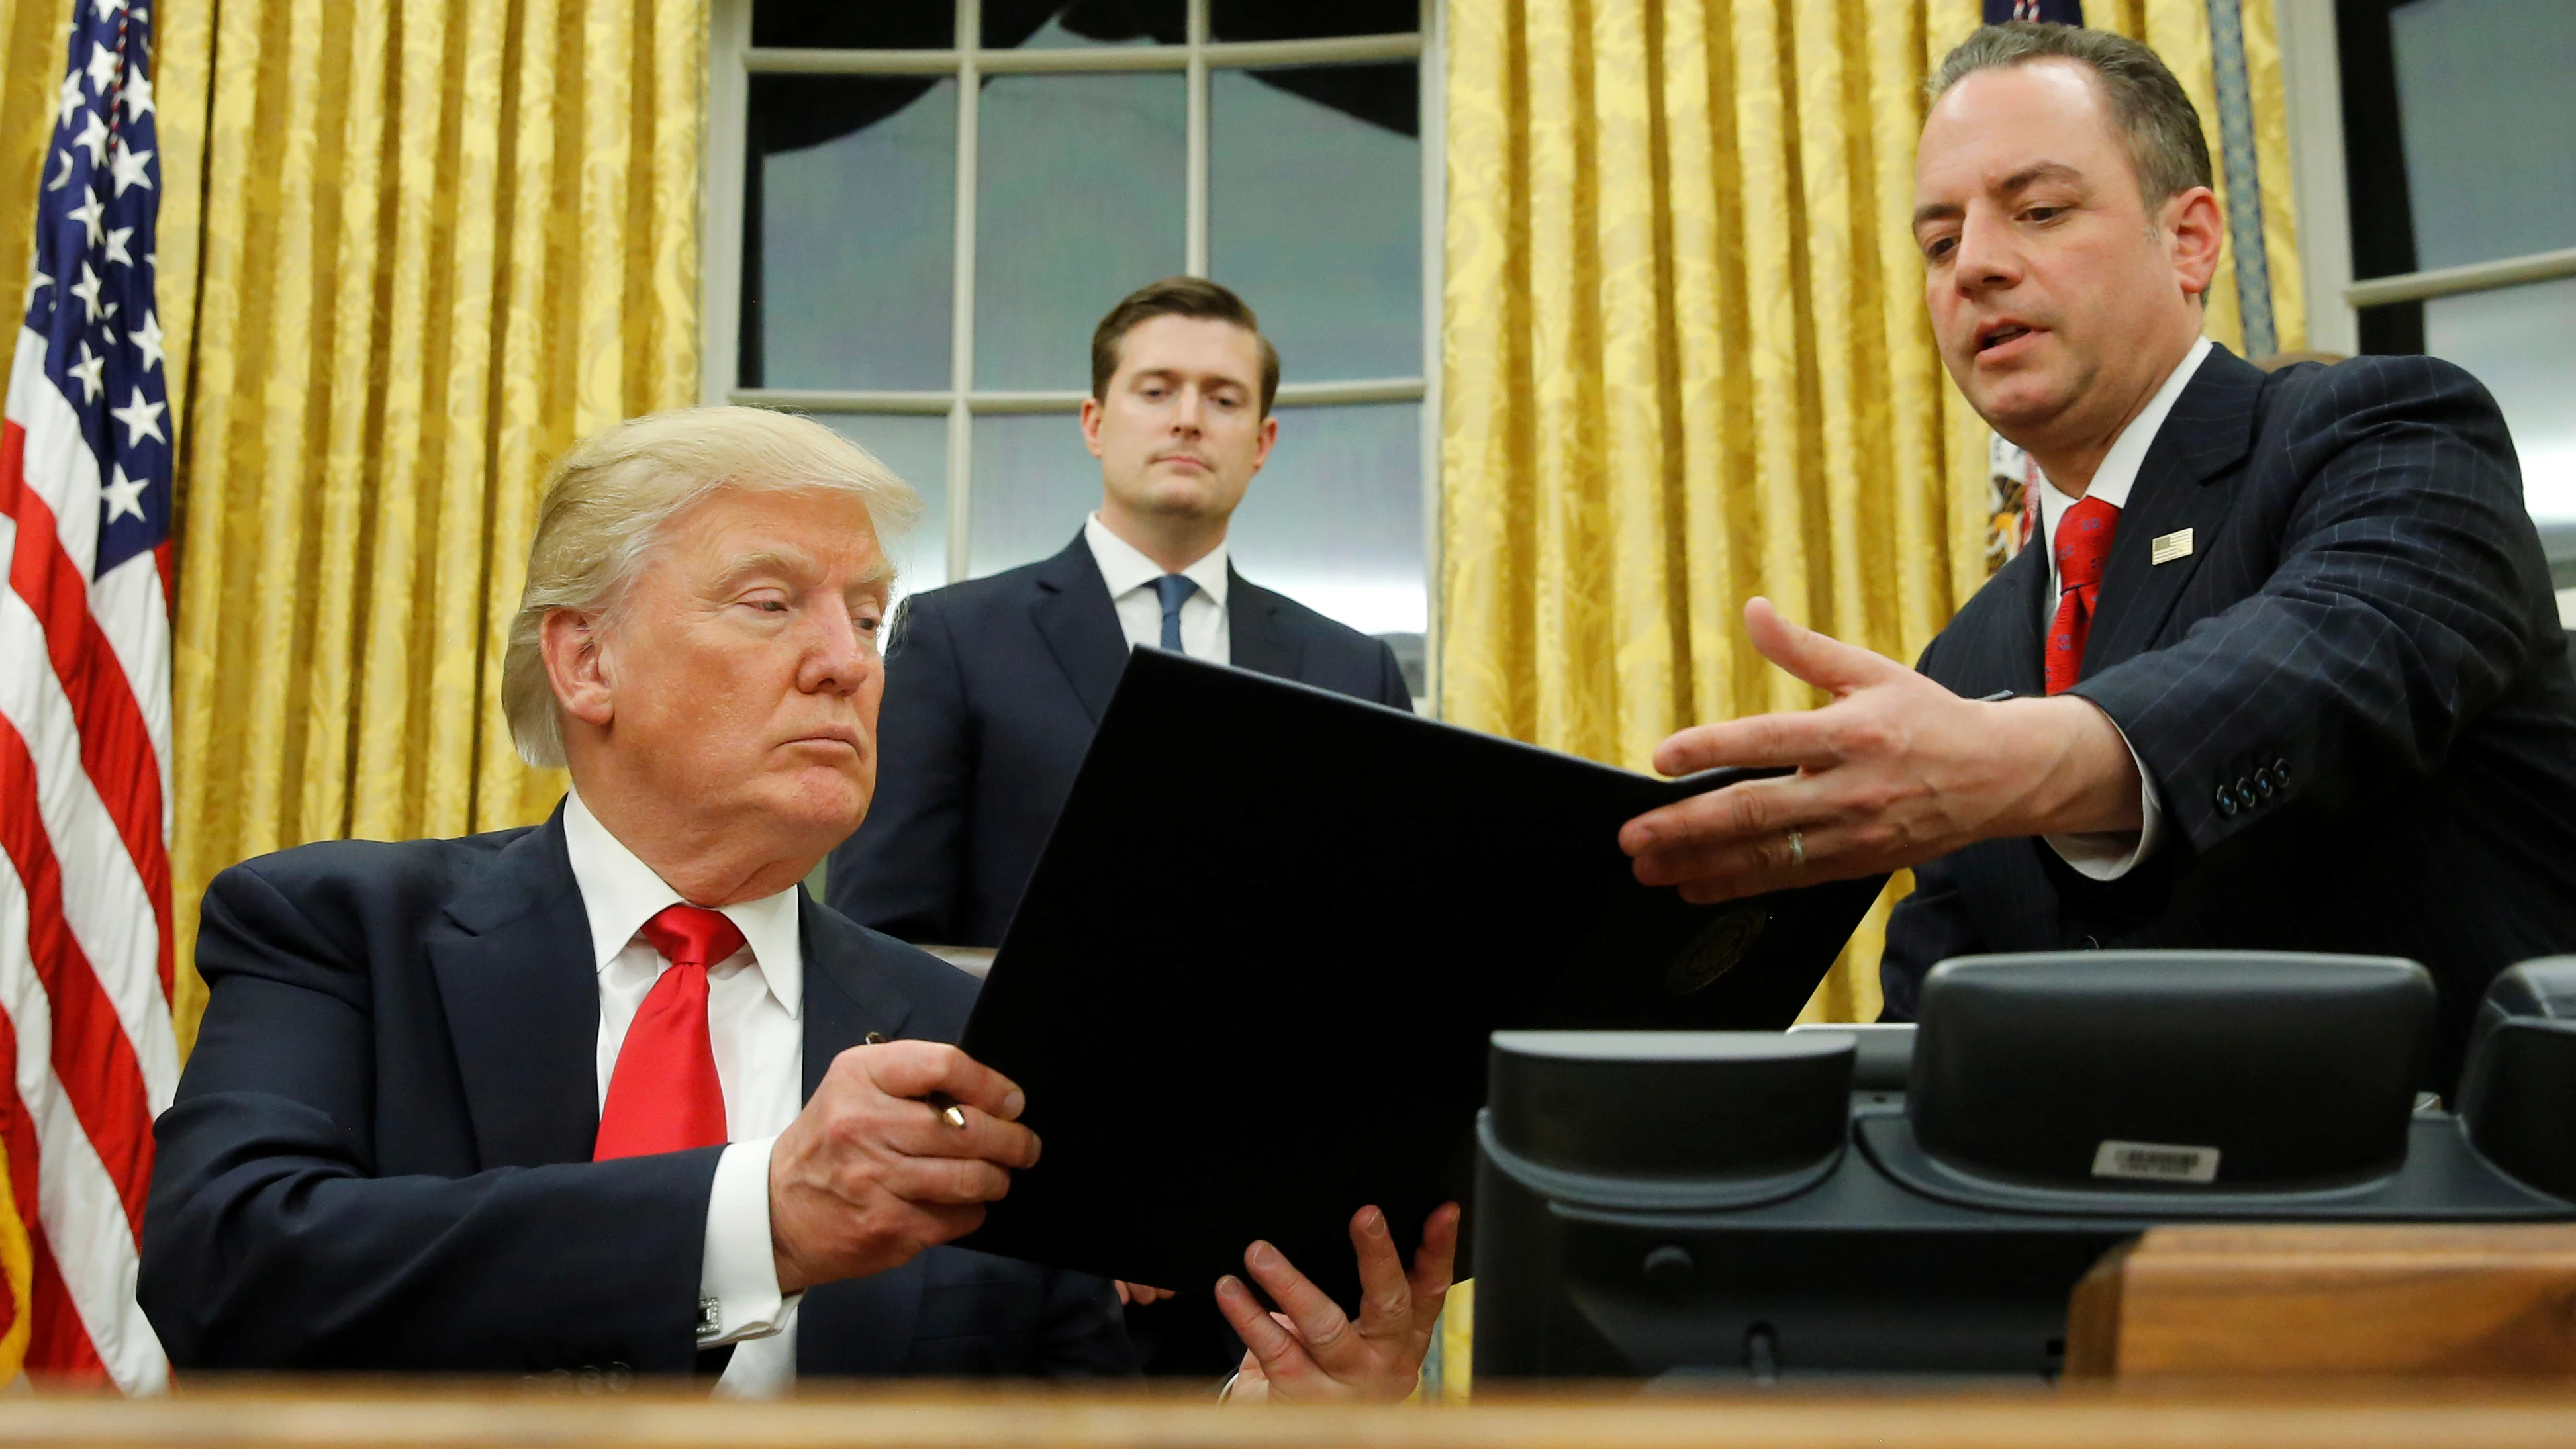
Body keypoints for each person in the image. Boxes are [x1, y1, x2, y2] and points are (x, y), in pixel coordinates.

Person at [140, 407, 1456, 1396]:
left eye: (870, 617)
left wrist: (1273, 1410)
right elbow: (224, 1271)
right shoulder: (339, 926)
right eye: (771, 603)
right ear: (586, 658)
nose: (845, 662)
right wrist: (756, 1213)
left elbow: (1071, 1407)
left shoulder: (968, 1033)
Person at [1615, 22, 2576, 1080]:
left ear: (2189, 240)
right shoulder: (1966, 666)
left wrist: (2023, 765)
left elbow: (2343, 654)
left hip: (2457, 1219)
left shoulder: (2383, 430)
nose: (1972, 266)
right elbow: (1930, 1054)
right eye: (1938, 244)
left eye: (2037, 212)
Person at [826, 277, 1414, 952]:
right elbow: (878, 937)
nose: (1188, 418)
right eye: (1157, 390)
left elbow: (1391, 931)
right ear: (1095, 423)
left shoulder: (1353, 670)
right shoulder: (953, 638)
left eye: (1224, 399)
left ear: (1262, 442)